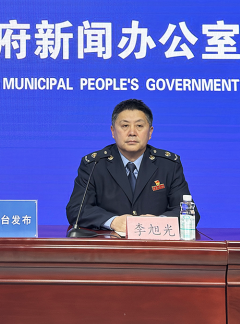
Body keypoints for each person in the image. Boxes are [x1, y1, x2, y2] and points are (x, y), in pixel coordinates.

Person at [65, 98, 198, 234]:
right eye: (125, 126)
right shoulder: (94, 164)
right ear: (113, 131)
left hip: (154, 243)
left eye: (139, 126)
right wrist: (113, 221)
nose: (132, 132)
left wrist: (158, 222)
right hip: (109, 244)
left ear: (150, 132)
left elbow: (189, 212)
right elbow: (76, 209)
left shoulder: (169, 165)